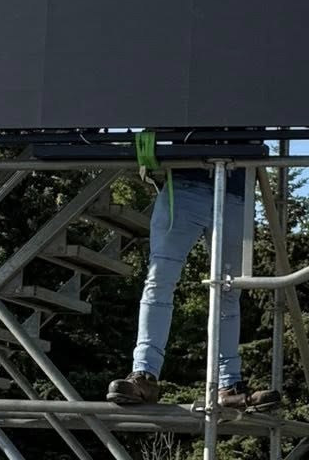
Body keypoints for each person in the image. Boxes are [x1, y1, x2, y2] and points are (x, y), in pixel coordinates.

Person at [107, 167, 275, 410]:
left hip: (233, 190)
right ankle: (144, 374)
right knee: (160, 280)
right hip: (189, 182)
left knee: (227, 289)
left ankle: (227, 385)